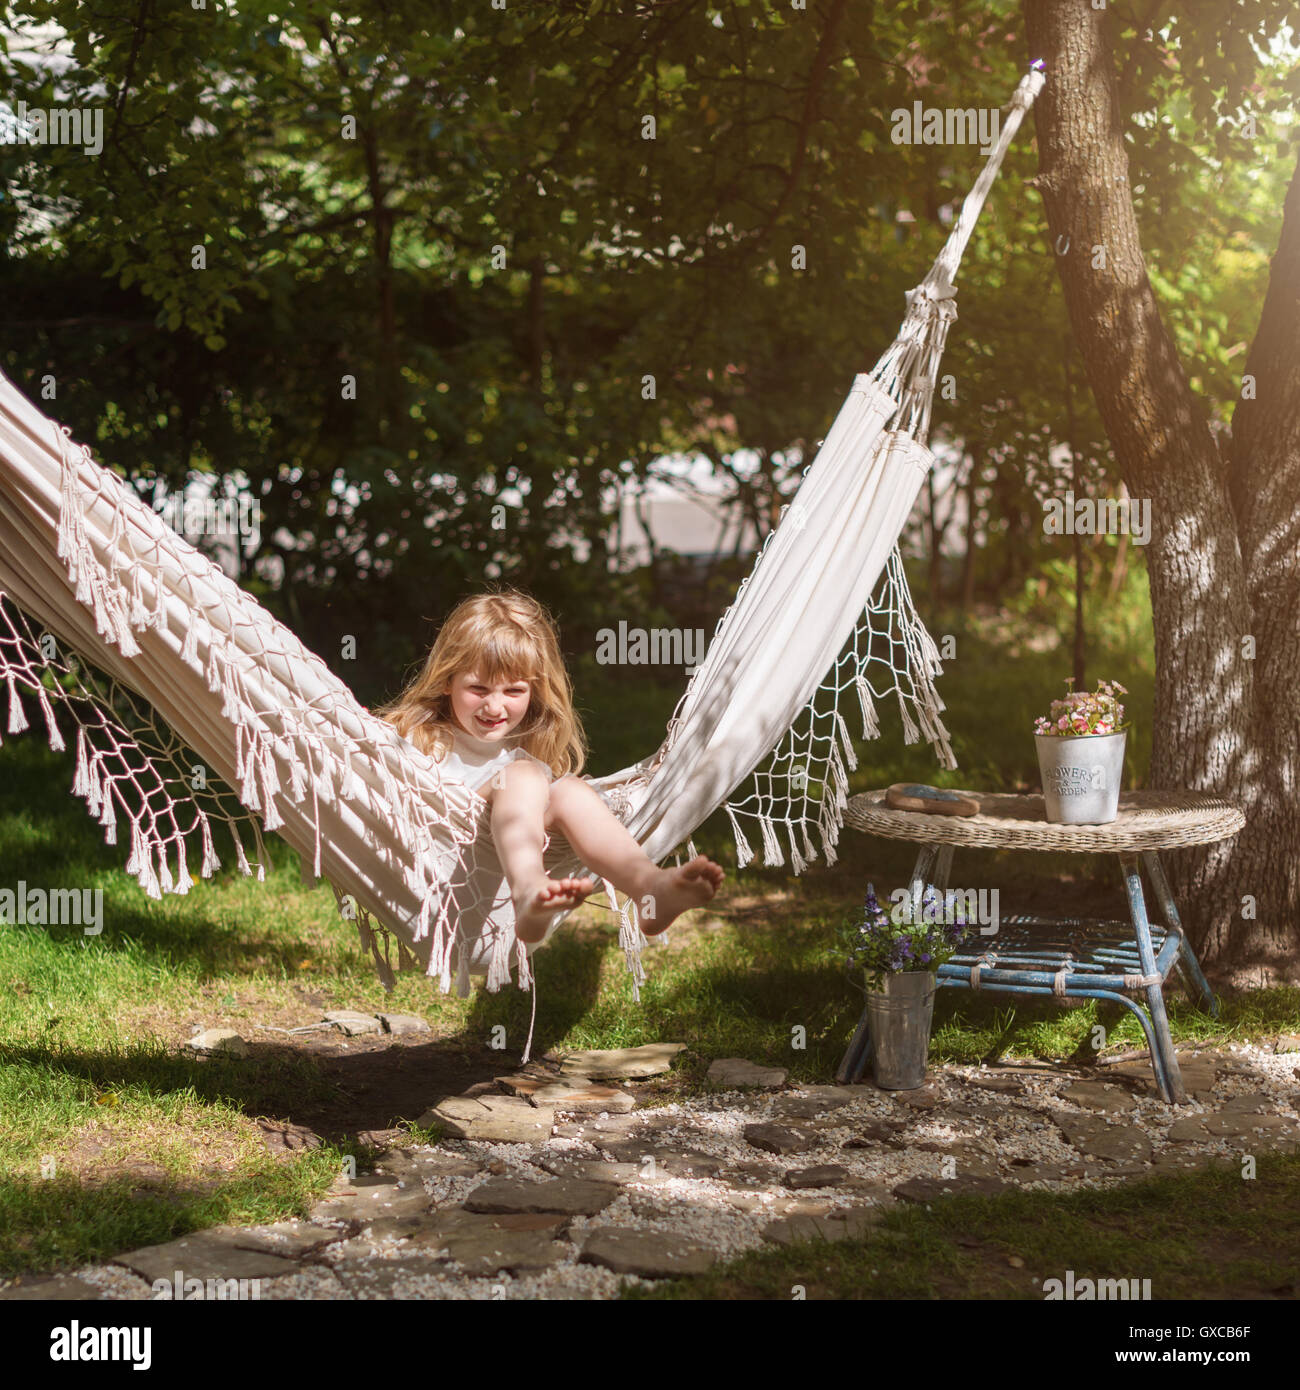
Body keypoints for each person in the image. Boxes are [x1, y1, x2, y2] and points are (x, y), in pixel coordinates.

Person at [374, 590, 723, 945]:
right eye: (478, 688)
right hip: (443, 866)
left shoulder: (520, 756)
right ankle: (528, 887)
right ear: (447, 680)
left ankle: (650, 887)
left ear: (534, 690)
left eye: (513, 691)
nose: (495, 707)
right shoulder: (418, 737)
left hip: (497, 854)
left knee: (570, 789)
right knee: (526, 775)